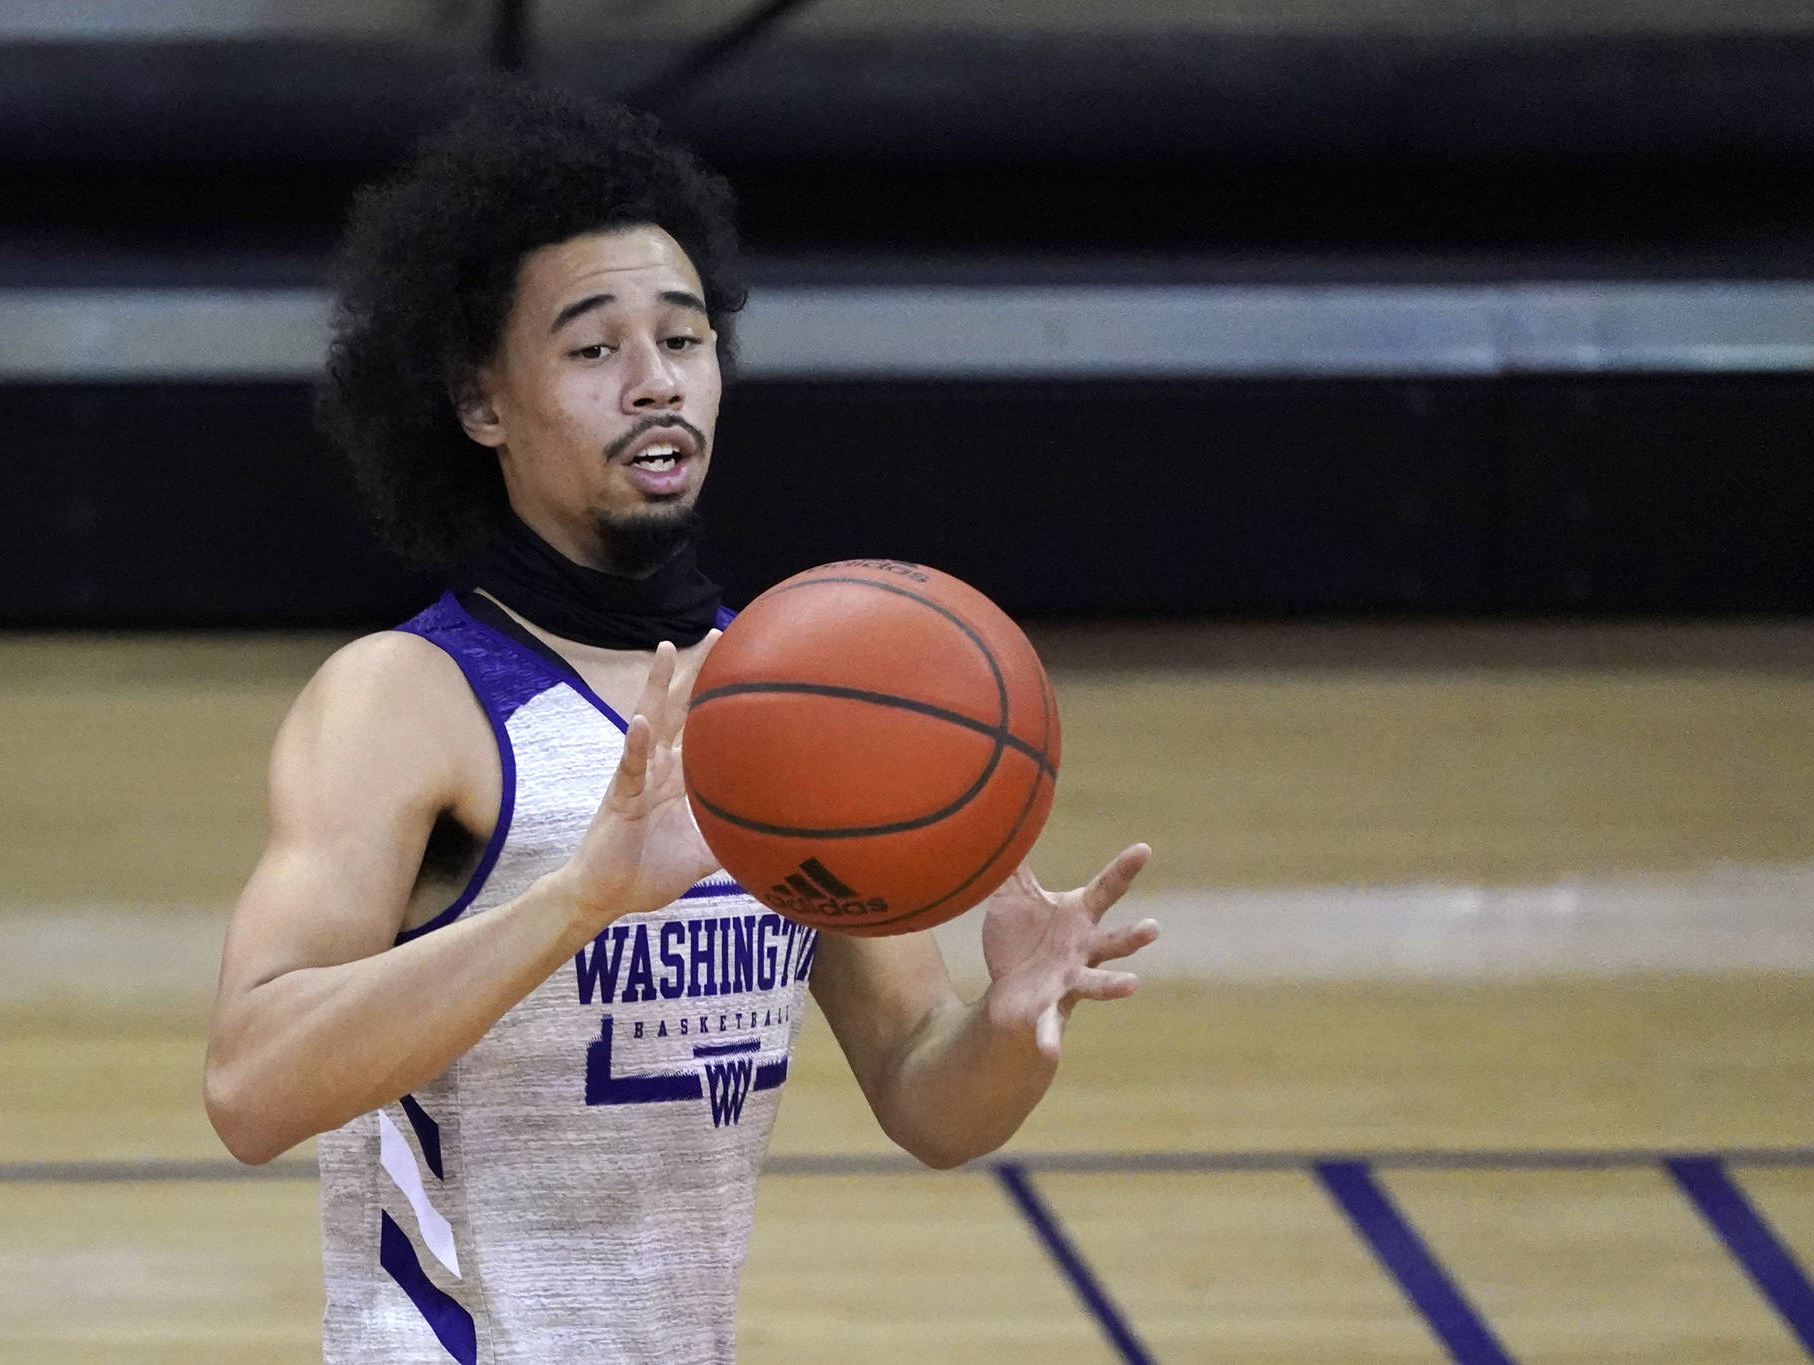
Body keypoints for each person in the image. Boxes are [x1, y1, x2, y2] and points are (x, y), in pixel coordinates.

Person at [202, 78, 1160, 1365]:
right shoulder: (405, 700)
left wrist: (1007, 1022)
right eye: (593, 350)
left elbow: (927, 1104)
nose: (654, 383)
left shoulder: (782, 707)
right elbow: (251, 1091)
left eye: (685, 338)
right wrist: (577, 895)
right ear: (481, 404)